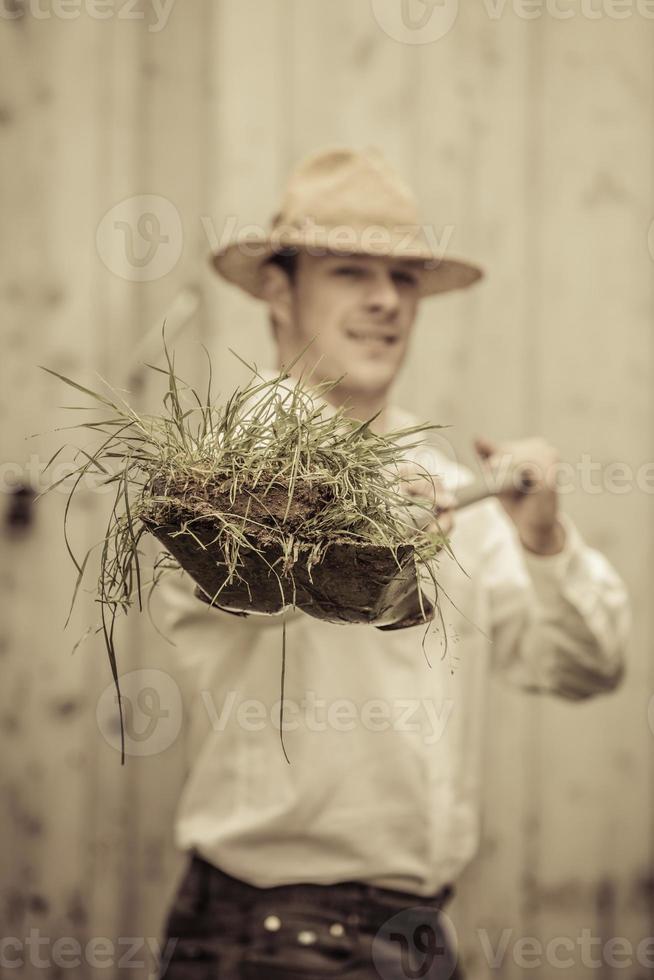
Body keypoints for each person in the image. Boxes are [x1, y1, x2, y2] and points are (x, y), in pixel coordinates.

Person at [154, 148, 629, 980]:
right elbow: (254, 586)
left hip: (414, 939)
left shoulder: (450, 491)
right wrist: (372, 534)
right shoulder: (229, 468)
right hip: (273, 941)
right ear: (279, 288)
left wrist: (545, 543)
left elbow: (587, 669)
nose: (385, 301)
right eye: (350, 271)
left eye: (404, 278)